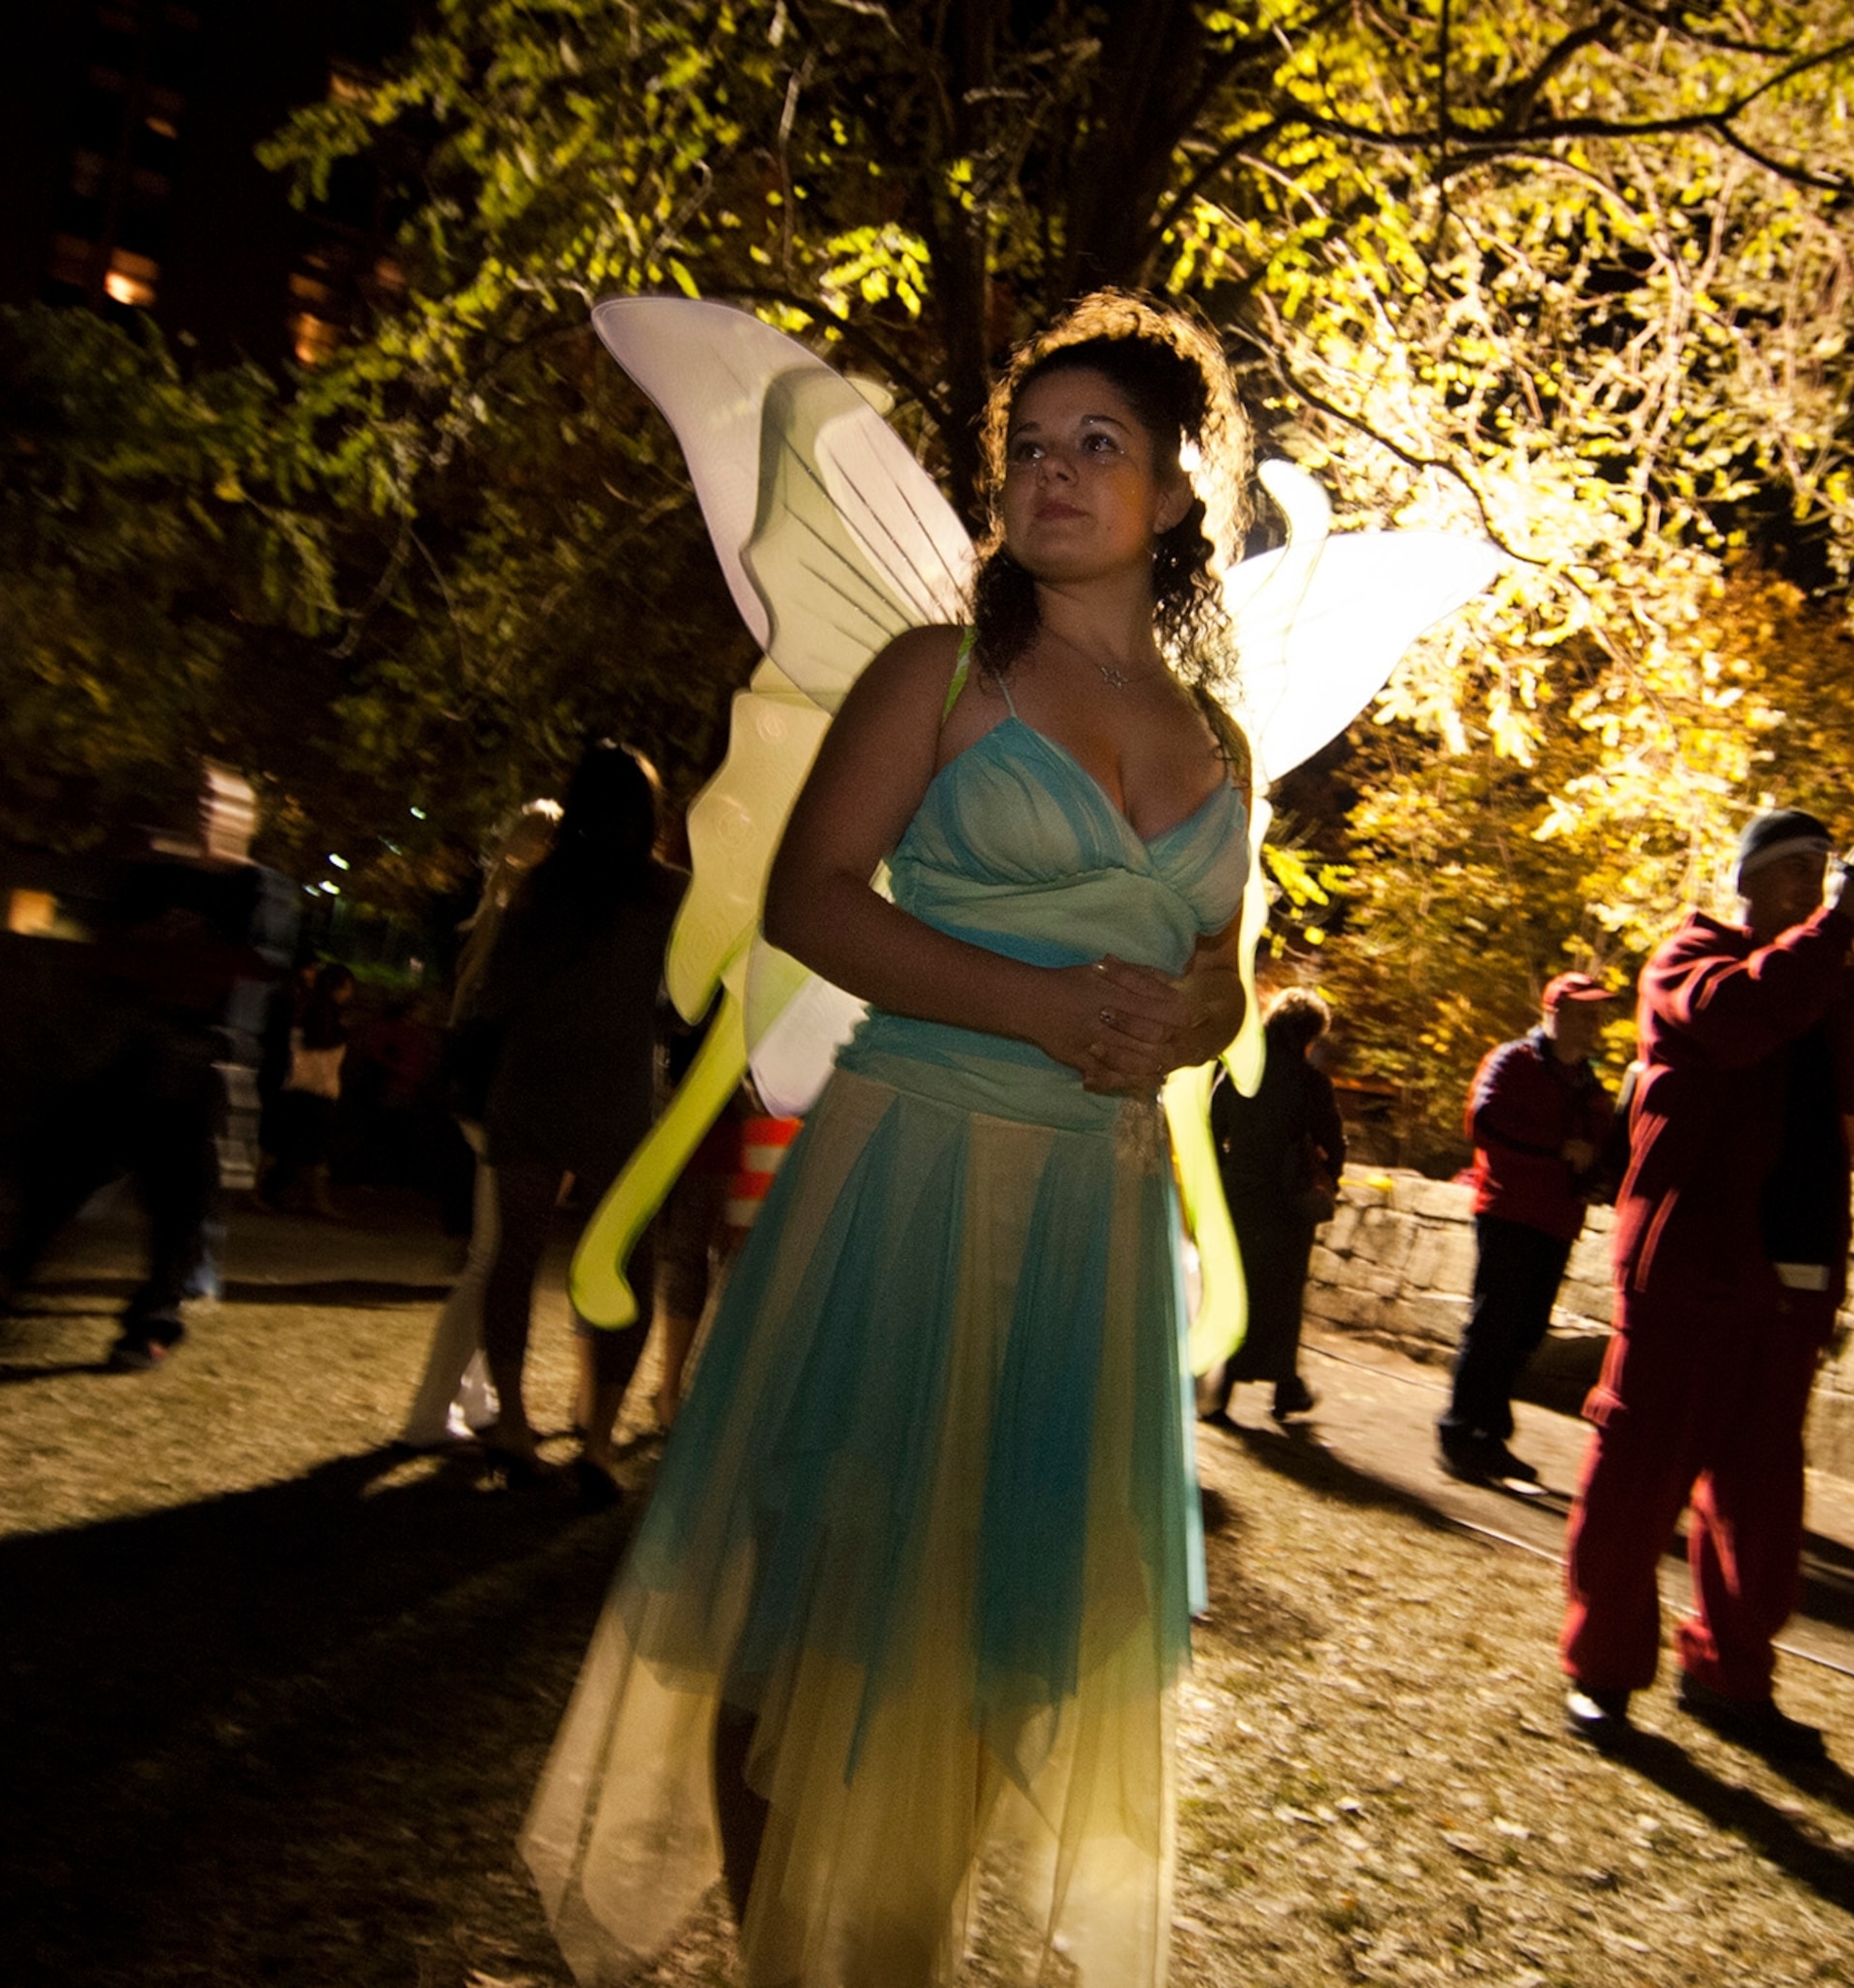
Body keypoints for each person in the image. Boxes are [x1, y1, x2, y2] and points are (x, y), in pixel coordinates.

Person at [521, 293, 1253, 1988]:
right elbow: (810, 902)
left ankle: (902, 1961)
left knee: (1010, 1639)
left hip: (1091, 1219)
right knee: (808, 1608)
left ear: (1176, 491)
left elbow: (1225, 974)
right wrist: (1042, 1010)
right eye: (1028, 446)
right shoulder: (938, 673)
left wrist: (1191, 1024)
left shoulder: (1219, 742)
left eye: (1098, 446)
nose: (1051, 475)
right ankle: (781, 1957)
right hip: (912, 1170)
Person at [1559, 809, 1854, 1759]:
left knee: (1758, 1508)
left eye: (1825, 874)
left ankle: (1731, 1676)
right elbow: (1736, 1022)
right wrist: (1838, 930)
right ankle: (1601, 1672)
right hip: (1685, 1274)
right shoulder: (1690, 961)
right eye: (1794, 871)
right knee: (1635, 1486)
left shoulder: (1821, 974)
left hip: (1789, 1284)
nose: (1812, 888)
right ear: (1745, 881)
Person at [0, 764, 294, 1369]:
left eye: (218, 799)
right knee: (68, 1170)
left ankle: (151, 1323)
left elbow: (243, 968)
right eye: (195, 797)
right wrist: (162, 969)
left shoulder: (257, 890)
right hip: (126, 1056)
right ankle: (8, 1274)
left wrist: (166, 967)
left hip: (199, 1065)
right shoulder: (151, 878)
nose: (204, 808)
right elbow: (107, 956)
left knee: (181, 1199)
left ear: (245, 817)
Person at [453, 744, 684, 1493]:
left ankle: (514, 1424)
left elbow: (496, 993)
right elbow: (684, 1006)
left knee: (514, 1257)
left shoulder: (541, 889)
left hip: (533, 1083)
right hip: (616, 1094)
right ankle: (599, 1440)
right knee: (628, 1261)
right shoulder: (668, 895)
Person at [400, 799, 561, 1452]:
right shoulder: (528, 923)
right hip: (506, 1107)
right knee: (493, 1263)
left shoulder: (492, 921)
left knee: (493, 1258)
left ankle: (474, 1397)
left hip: (483, 1104)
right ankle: (431, 1411)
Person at [1438, 972, 1623, 1485]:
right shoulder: (1512, 1061)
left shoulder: (1592, 1089)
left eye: (1598, 1015)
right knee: (1494, 1323)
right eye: (1585, 1013)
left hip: (1557, 1220)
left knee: (1526, 1332)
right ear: (1555, 1013)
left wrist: (1597, 1179)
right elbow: (1485, 1123)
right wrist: (1558, 1150)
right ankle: (1460, 1431)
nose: (1595, 1024)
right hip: (1507, 1211)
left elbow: (1602, 1153)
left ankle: (1488, 1435)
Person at [1199, 984, 1347, 1423]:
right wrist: (1323, 1175)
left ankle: (1222, 1395)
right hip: (1284, 1205)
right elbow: (1331, 1142)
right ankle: (1285, 1387)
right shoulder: (1310, 1083)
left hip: (1236, 1195)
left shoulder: (1239, 1071)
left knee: (1232, 1289)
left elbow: (1212, 1124)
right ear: (1307, 1034)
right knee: (1280, 1299)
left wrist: (1224, 1171)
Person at [256, 961, 353, 1214]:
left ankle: (277, 1193)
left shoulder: (307, 1006)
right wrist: (344, 1032)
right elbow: (318, 1046)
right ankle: (312, 1200)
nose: (349, 993)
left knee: (285, 1143)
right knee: (306, 1147)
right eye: (347, 987)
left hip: (302, 1085)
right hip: (314, 1087)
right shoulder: (323, 1012)